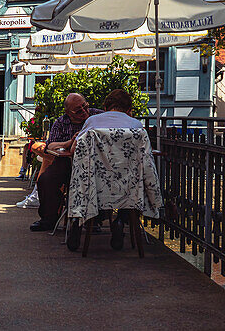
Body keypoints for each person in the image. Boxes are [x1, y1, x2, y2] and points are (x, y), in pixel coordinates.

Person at [65, 88, 144, 250]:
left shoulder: (93, 122)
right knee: (133, 183)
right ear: (129, 110)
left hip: (94, 186)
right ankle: (121, 220)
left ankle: (77, 221)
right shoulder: (136, 125)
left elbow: (76, 150)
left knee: (81, 179)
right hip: (126, 186)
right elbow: (144, 159)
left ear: (106, 108)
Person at [29, 93, 101, 232]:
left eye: (85, 106)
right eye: (78, 110)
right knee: (46, 179)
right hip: (67, 163)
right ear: (68, 112)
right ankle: (48, 219)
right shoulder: (61, 123)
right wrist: (70, 142)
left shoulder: (97, 115)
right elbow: (50, 146)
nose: (84, 112)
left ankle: (93, 221)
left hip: (95, 164)